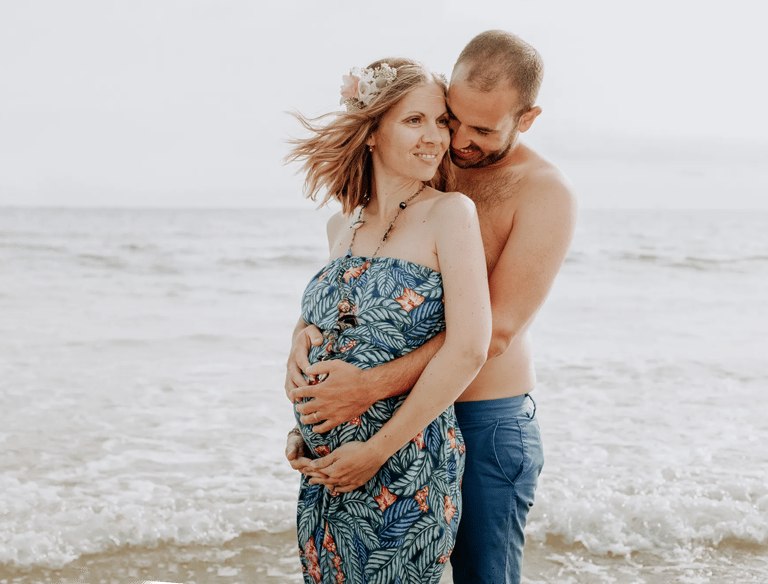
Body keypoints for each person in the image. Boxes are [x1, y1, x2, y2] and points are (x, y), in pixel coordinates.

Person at [285, 31, 578, 584]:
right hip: (395, 421)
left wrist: (367, 388)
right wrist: (312, 383)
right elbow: (359, 299)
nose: (457, 140)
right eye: (451, 117)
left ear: (527, 118)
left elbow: (492, 333)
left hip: (485, 418)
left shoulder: (542, 191)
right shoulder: (427, 165)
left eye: (481, 130)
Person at [284, 57, 492, 584]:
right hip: (329, 473)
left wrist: (375, 451)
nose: (435, 137)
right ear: (372, 131)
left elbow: (470, 347)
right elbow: (334, 326)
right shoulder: (342, 224)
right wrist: (302, 397)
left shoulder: (450, 213)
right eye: (414, 120)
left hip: (405, 467)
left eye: (440, 121)